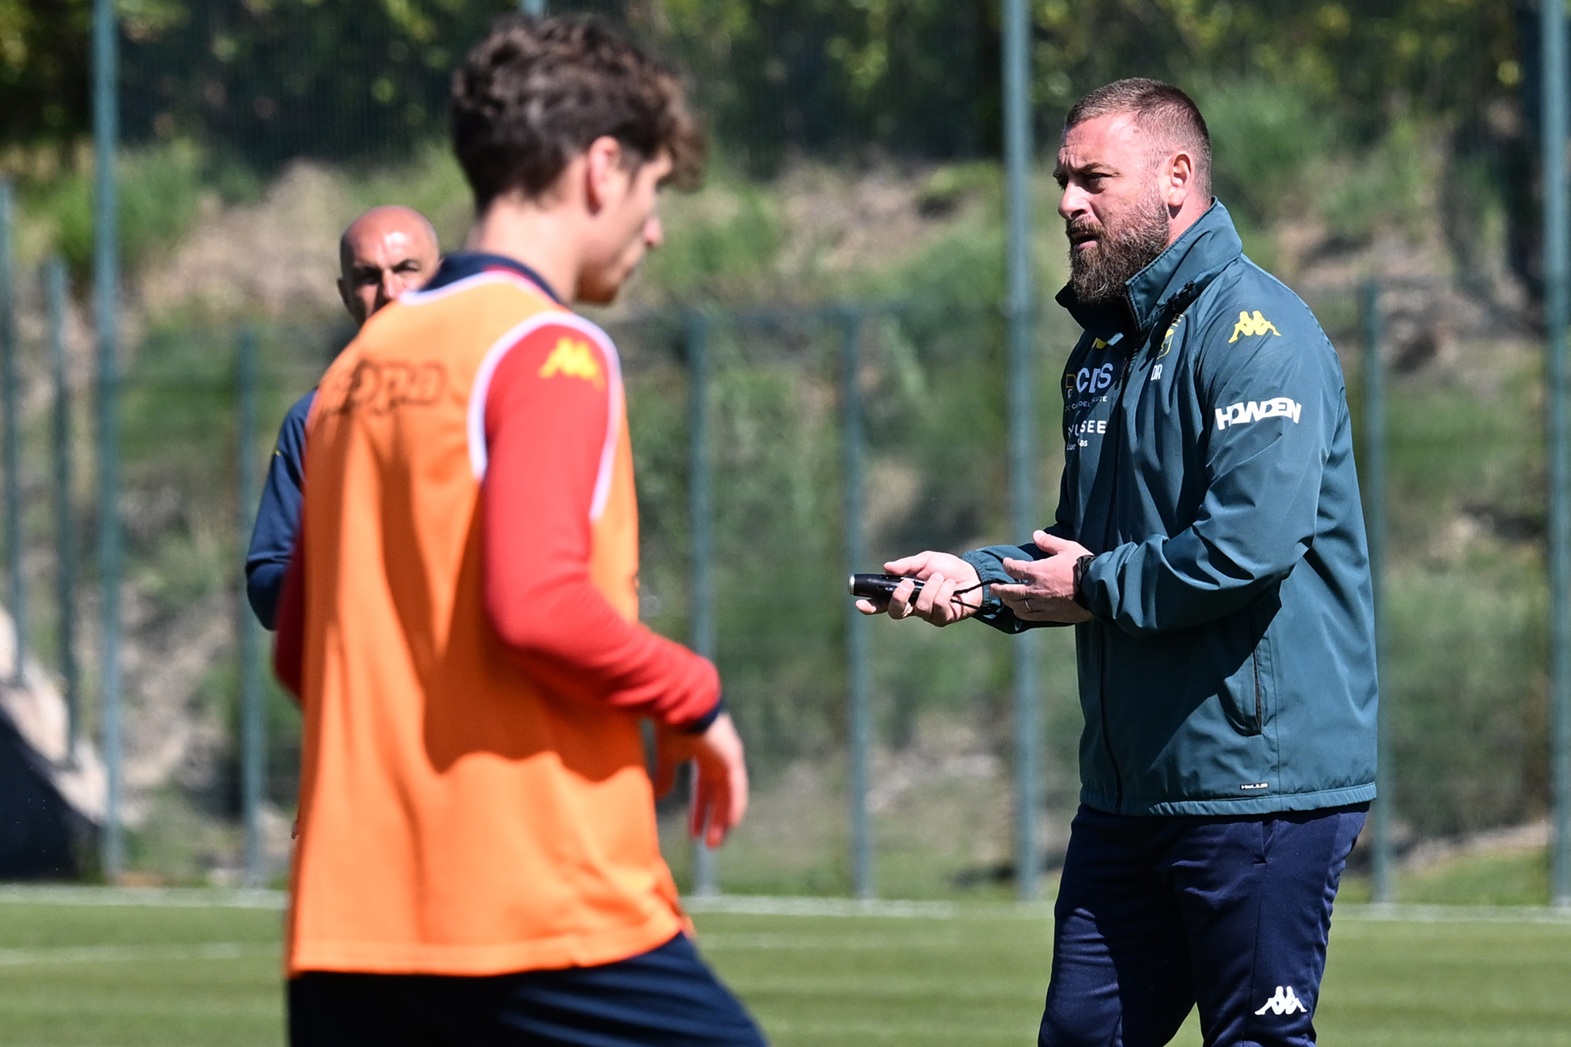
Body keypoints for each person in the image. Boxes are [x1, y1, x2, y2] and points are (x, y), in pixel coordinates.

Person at [272, 14, 765, 1047]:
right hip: (532, 913)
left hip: (349, 928)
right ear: (600, 168)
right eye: (654, 190)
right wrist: (695, 697)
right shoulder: (549, 350)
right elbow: (537, 606)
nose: (655, 228)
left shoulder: (358, 369)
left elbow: (298, 648)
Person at [860, 78, 1377, 1046]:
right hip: (1129, 792)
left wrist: (1089, 587)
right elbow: (1077, 552)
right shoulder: (1100, 354)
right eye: (1061, 180)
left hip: (1256, 790)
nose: (1066, 203)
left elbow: (1244, 550)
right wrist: (976, 580)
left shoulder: (1259, 337)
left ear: (1175, 178)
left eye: (1091, 179)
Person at [244, 204, 442, 628]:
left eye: (406, 269)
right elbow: (266, 582)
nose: (389, 291)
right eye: (368, 277)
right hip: (368, 685)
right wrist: (343, 564)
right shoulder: (316, 418)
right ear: (344, 292)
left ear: (442, 278)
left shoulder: (495, 393)